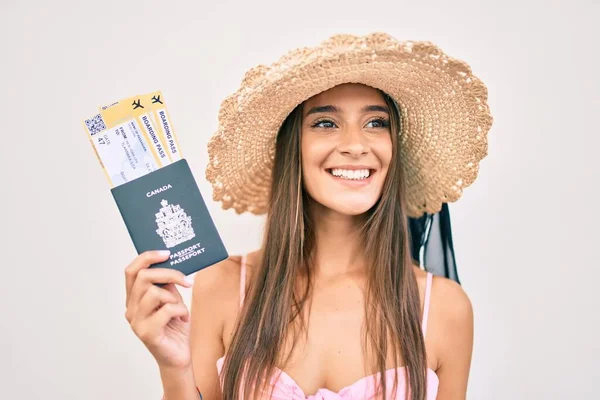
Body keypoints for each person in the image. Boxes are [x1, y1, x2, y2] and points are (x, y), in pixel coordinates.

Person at [124, 33, 493, 400]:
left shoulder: (444, 308)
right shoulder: (221, 286)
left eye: (376, 123)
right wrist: (175, 371)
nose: (355, 145)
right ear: (292, 148)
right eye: (325, 123)